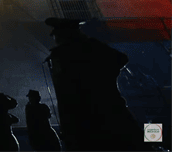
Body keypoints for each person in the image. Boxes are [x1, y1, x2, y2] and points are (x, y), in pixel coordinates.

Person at [44, 17, 150, 152]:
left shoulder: (64, 54)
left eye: (57, 36)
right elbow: (120, 59)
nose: (56, 39)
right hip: (109, 115)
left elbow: (66, 98)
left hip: (86, 123)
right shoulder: (88, 48)